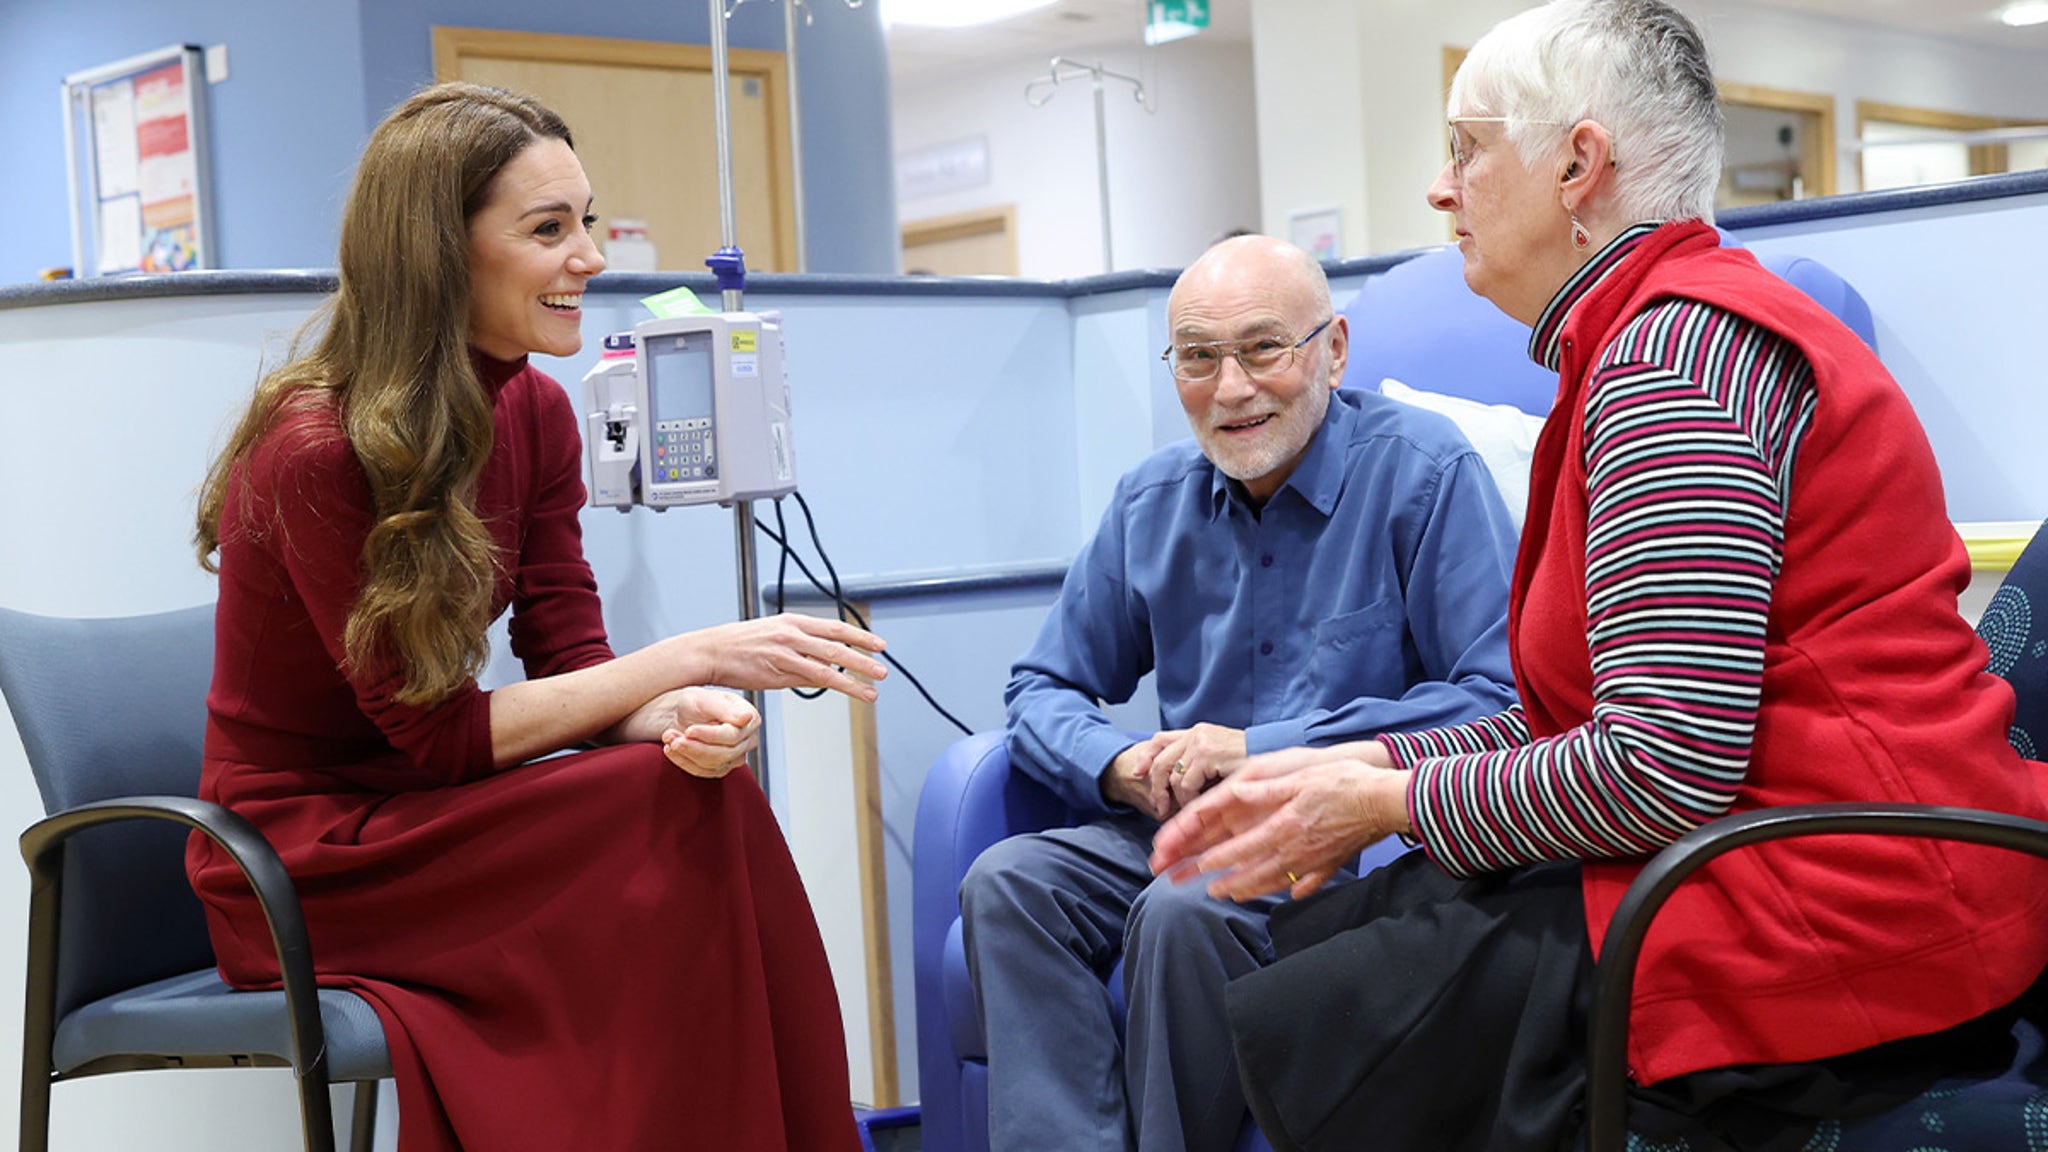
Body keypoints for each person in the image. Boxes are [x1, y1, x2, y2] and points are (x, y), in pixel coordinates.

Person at [1149, 4, 2048, 1151]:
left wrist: (1380, 802)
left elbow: (1659, 768)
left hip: (1840, 908)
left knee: (1339, 1002)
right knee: (1338, 961)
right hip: (1772, 855)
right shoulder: (1642, 342)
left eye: (1466, 147)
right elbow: (1574, 720)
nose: (1439, 188)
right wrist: (1360, 765)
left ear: (1577, 166)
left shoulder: (1671, 362)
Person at [187, 82, 883, 1152]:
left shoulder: (534, 408)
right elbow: (440, 739)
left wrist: (679, 715)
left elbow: (570, 657)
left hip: (425, 817)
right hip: (300, 860)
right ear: (440, 252)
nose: (591, 257)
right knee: (672, 824)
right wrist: (689, 654)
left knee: (698, 791)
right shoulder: (316, 452)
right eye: (548, 229)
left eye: (587, 221)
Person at [960, 234, 1520, 1152]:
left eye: (1264, 348)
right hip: (1186, 821)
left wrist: (1260, 752)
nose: (1231, 390)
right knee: (1010, 880)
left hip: (1363, 834)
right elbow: (1043, 686)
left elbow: (1497, 702)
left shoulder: (1423, 471)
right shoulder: (1151, 500)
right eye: (1198, 358)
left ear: (1332, 349)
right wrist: (1119, 763)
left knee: (1187, 906)